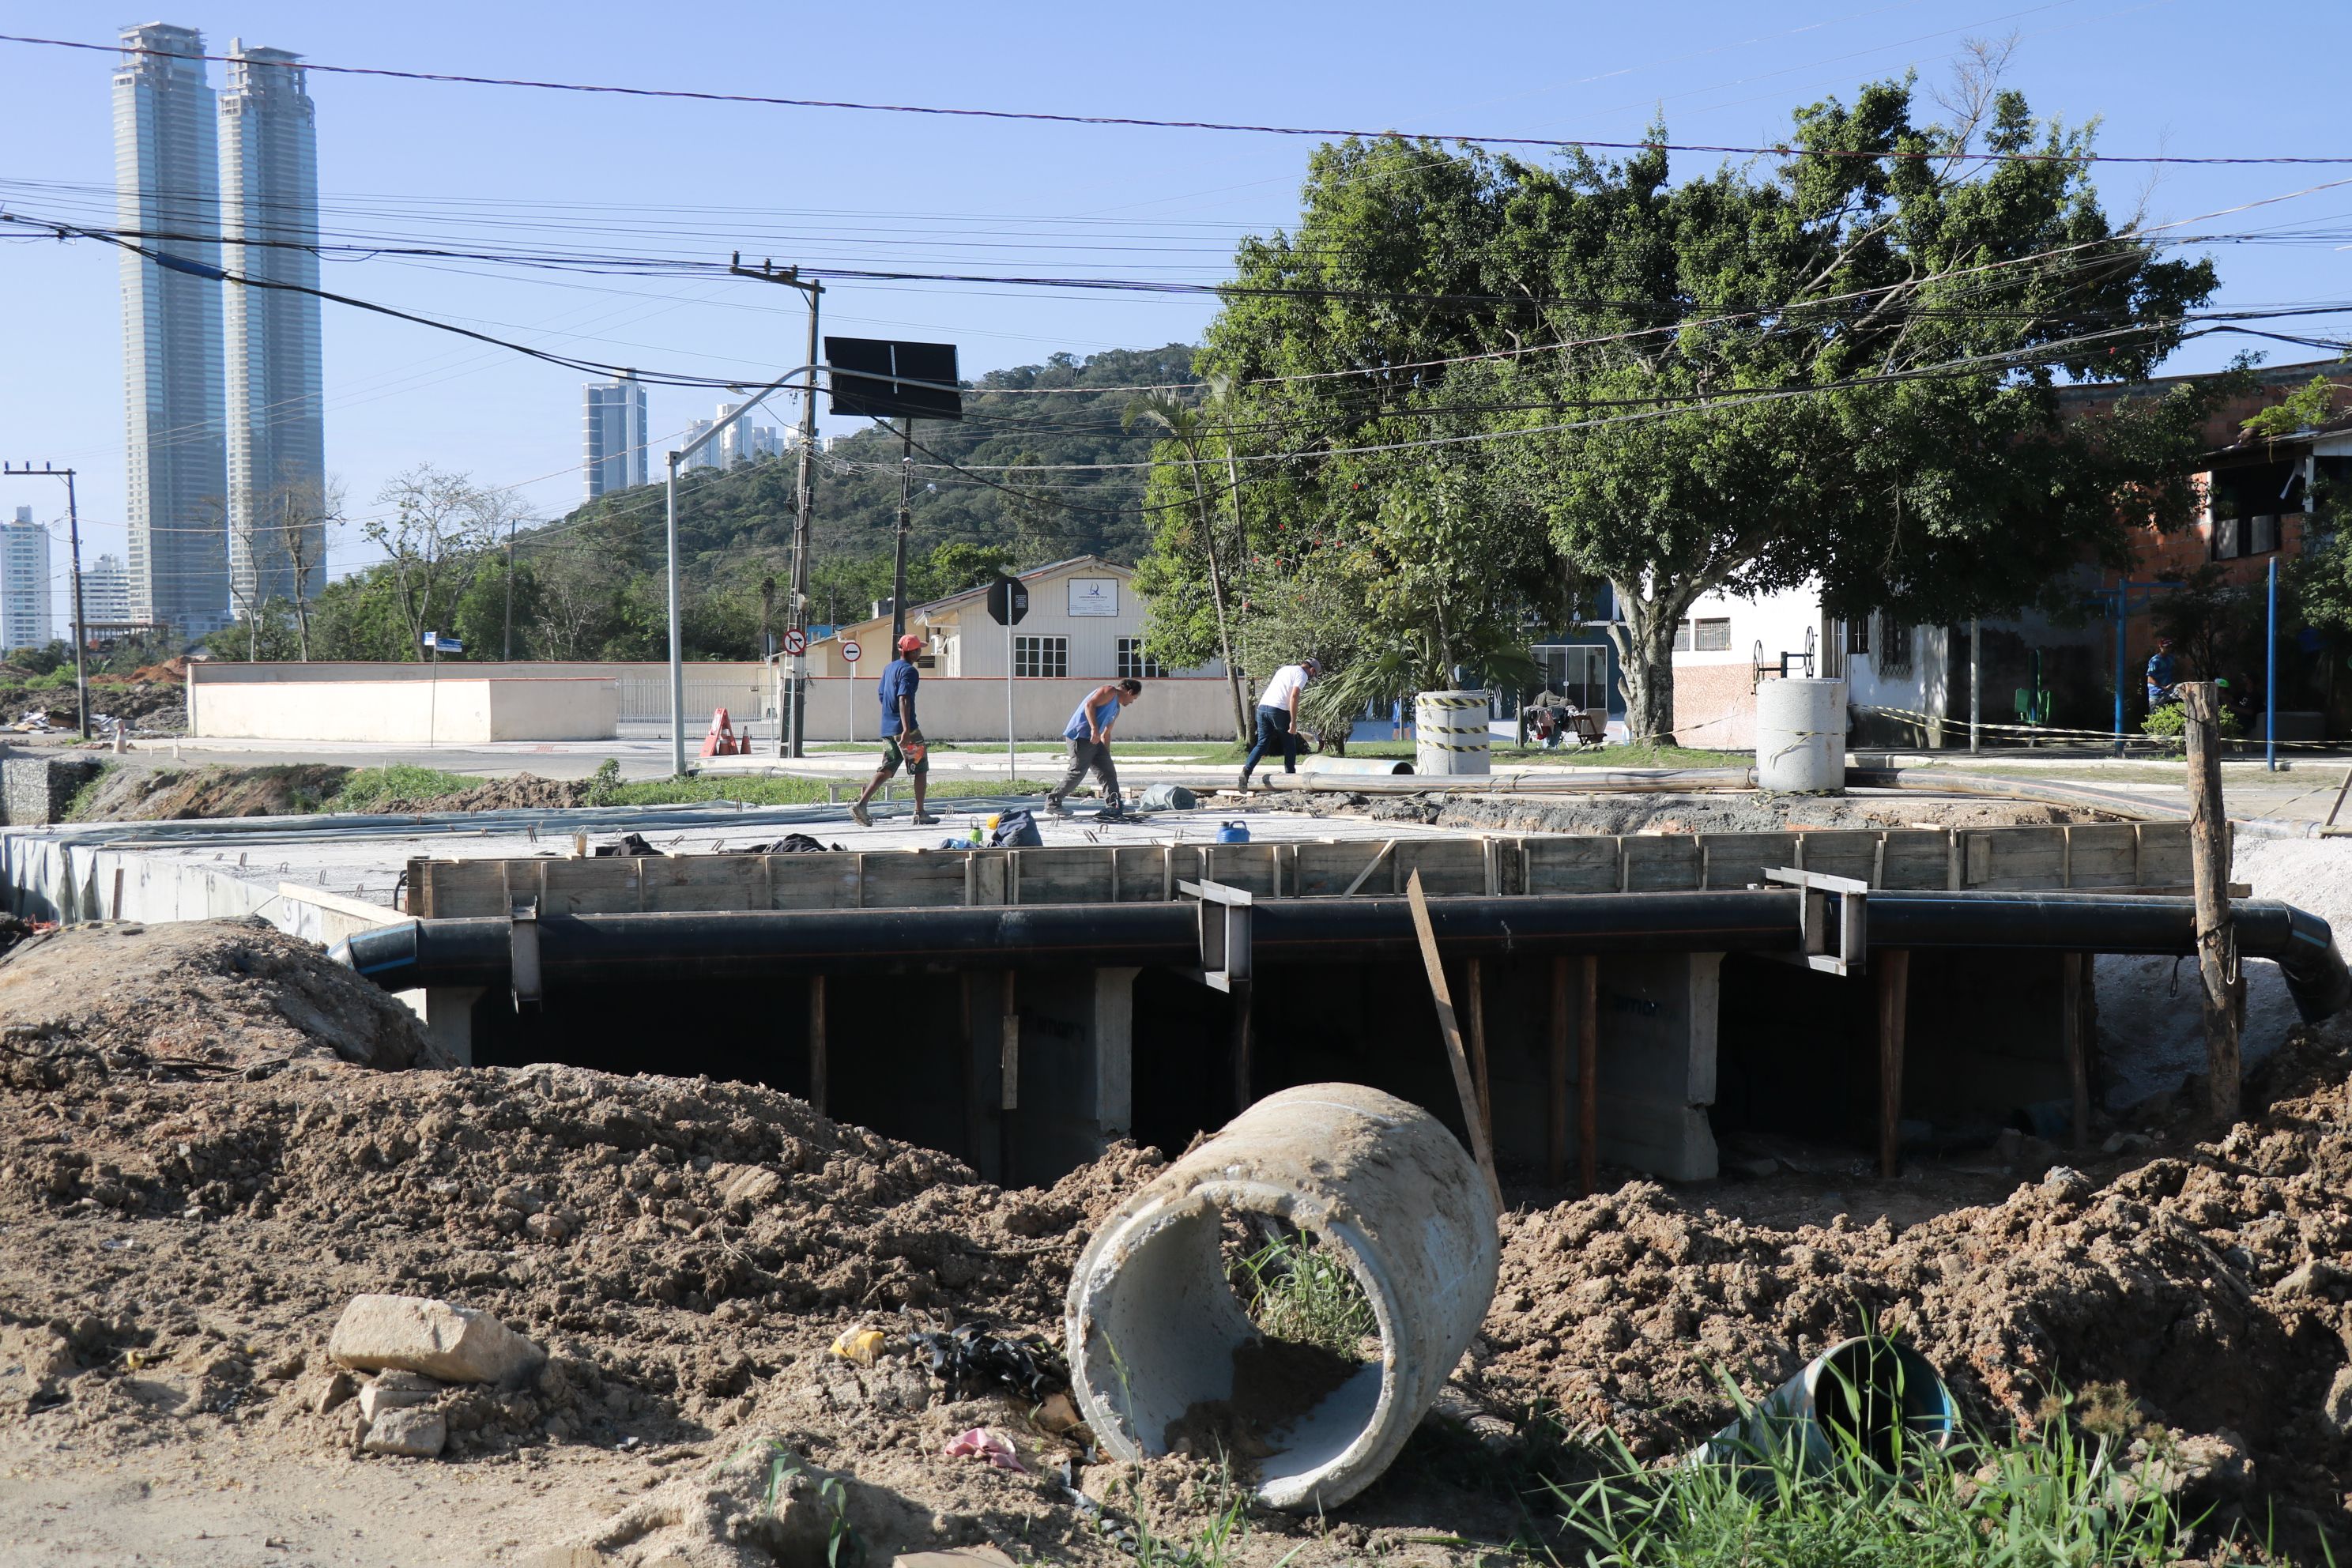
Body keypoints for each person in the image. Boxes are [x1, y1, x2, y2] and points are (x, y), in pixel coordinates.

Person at [850, 634, 937, 827]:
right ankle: (920, 812)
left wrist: (892, 719)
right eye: (918, 649)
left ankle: (862, 804)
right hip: (906, 729)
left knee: (888, 767)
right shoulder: (910, 671)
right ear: (912, 652)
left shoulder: (889, 668)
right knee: (920, 767)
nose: (920, 652)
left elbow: (882, 695)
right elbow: (904, 698)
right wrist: (906, 729)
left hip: (888, 728)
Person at [1045, 678, 1143, 818]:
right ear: (1130, 691)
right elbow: (1090, 705)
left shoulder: (1116, 708)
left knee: (1108, 771)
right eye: (1134, 698)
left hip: (1095, 740)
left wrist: (1105, 756)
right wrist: (1094, 729)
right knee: (1077, 772)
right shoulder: (1109, 691)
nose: (1133, 701)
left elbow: (1107, 733)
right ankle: (1052, 804)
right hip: (1080, 736)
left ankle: (1114, 805)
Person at [1238, 657, 1319, 790]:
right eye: (1313, 675)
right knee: (1289, 743)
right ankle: (1291, 778)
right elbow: (1294, 696)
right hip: (1279, 709)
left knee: (1262, 743)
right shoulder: (1302, 675)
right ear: (1312, 670)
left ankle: (1246, 772)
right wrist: (1293, 721)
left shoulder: (1285, 669)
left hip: (1263, 707)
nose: (1311, 677)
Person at [2146, 637, 2179, 711]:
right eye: (2167, 647)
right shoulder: (2155, 661)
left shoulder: (2170, 658)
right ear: (2161, 647)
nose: (2169, 649)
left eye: (2170, 647)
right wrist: (2164, 687)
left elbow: (2172, 671)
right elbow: (2150, 679)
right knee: (2156, 716)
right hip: (2156, 693)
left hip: (2168, 692)